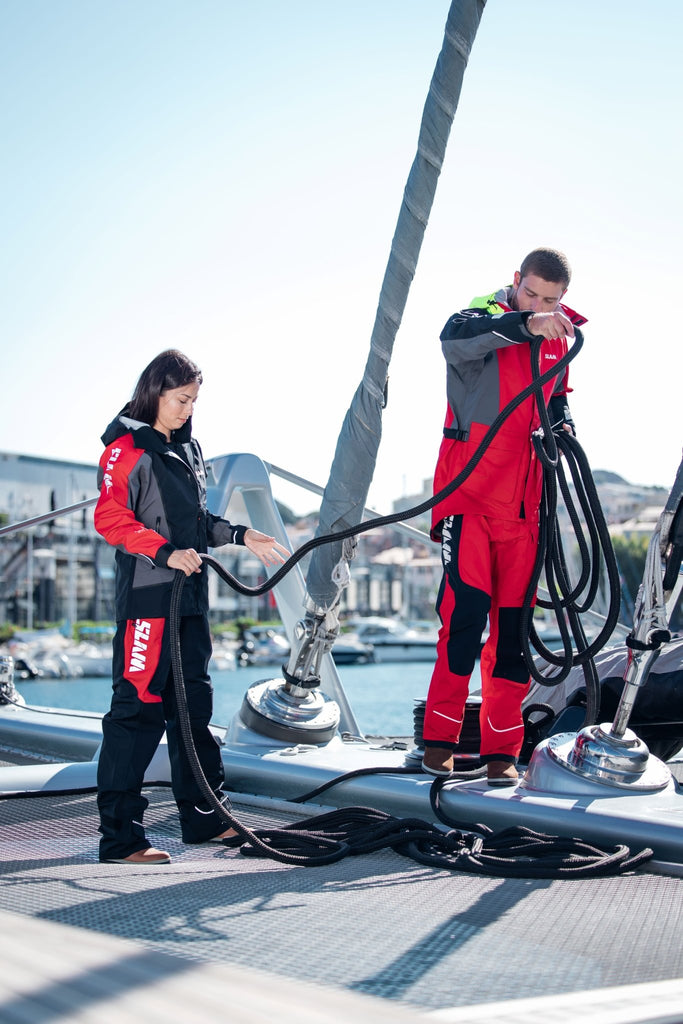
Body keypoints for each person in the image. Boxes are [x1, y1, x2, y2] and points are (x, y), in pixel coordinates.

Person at [94, 349, 289, 863]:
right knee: (135, 713)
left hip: (190, 602)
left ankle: (204, 820)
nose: (187, 410)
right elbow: (111, 520)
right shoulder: (125, 450)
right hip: (148, 603)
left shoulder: (187, 449)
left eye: (193, 402)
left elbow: (198, 522)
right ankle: (121, 839)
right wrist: (162, 551)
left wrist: (242, 534)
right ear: (155, 391)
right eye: (181, 400)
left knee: (192, 709)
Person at [422, 248, 587, 785]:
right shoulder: (481, 319)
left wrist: (563, 429)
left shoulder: (558, 341)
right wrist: (525, 322)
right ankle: (439, 742)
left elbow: (555, 403)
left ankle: (501, 754)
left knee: (512, 635)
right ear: (517, 282)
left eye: (552, 300)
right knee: (465, 619)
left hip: (525, 512)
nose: (542, 306)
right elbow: (454, 339)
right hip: (468, 502)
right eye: (533, 293)